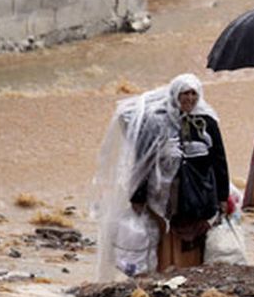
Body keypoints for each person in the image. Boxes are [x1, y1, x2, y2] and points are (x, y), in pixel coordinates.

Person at [94, 74, 230, 281]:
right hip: (165, 198)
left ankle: (191, 279)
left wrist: (222, 196)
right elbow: (144, 161)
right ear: (176, 95)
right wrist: (138, 196)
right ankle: (166, 276)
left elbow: (218, 160)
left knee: (196, 242)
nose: (190, 99)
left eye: (194, 93)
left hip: (199, 198)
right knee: (165, 240)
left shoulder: (207, 123)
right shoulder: (157, 123)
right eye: (185, 93)